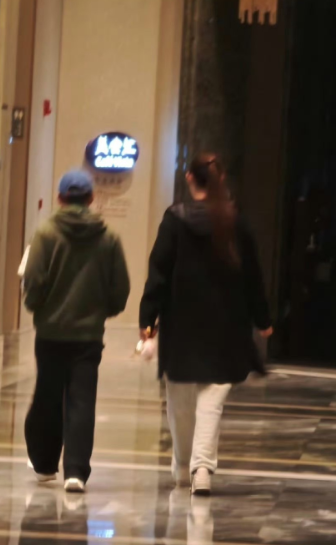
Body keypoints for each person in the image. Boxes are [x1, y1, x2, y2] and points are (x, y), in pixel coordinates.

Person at [139, 153, 272, 495]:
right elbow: (253, 275)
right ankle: (201, 469)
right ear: (221, 178)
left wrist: (147, 319)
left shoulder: (174, 220)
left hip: (181, 327)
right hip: (225, 327)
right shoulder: (235, 220)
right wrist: (262, 319)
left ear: (188, 178)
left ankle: (184, 465)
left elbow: (158, 272)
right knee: (211, 401)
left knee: (180, 402)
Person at [24, 169, 130, 494]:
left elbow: (33, 281)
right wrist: (103, 311)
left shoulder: (45, 233)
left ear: (59, 198)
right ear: (91, 198)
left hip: (50, 332)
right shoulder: (108, 237)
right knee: (82, 400)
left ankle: (44, 464)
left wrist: (37, 307)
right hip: (88, 336)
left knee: (47, 396)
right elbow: (120, 288)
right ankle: (76, 472)